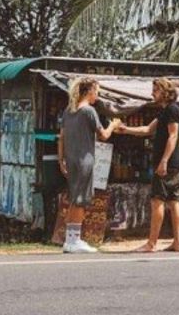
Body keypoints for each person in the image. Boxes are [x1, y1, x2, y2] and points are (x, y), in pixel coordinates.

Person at [116, 77, 179, 252]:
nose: (152, 93)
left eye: (155, 90)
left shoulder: (172, 109)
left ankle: (151, 243)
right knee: (173, 200)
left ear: (165, 92)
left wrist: (164, 161)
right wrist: (126, 129)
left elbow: (173, 136)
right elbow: (147, 130)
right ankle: (177, 243)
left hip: (167, 162)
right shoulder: (163, 112)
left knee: (157, 200)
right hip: (170, 162)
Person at [58, 77, 120, 254]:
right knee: (80, 200)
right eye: (97, 91)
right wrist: (114, 125)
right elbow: (103, 135)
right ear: (90, 91)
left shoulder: (69, 111)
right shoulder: (89, 111)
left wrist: (61, 160)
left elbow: (61, 137)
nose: (97, 96)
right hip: (84, 160)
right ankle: (74, 240)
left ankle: (70, 240)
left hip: (71, 160)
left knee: (74, 199)